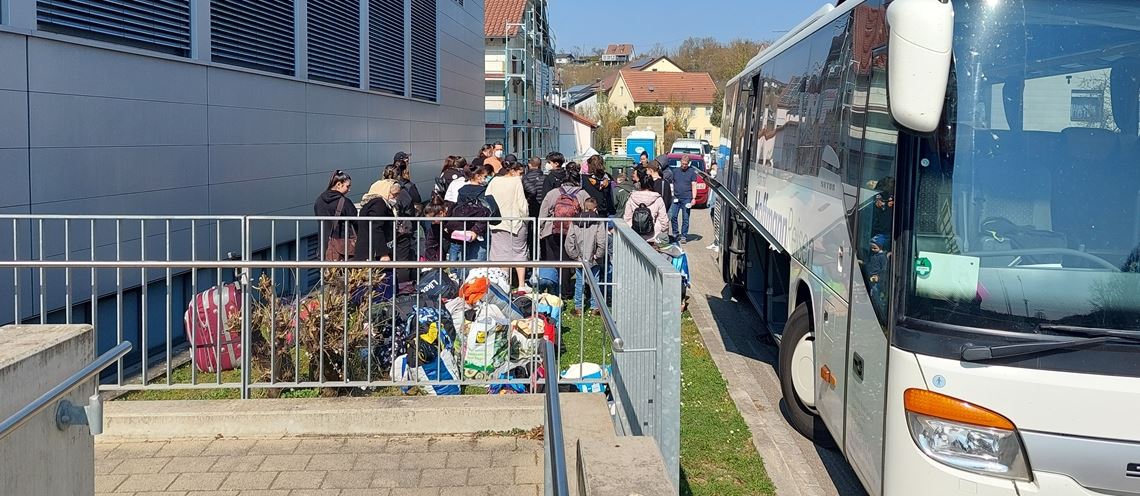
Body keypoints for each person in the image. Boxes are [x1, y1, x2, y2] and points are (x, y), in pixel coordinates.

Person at [538, 168, 589, 297]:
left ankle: (552, 288)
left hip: (552, 230)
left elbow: (543, 212)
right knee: (566, 261)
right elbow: (588, 212)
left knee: (552, 260)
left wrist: (540, 229)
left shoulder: (552, 193)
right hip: (572, 232)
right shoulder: (582, 194)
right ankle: (565, 291)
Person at [486, 159, 532, 292]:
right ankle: (521, 285)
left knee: (500, 254)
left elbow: (487, 197)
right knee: (519, 252)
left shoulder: (494, 181)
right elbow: (522, 203)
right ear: (513, 170)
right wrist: (526, 218)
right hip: (515, 221)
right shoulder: (516, 181)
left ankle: (504, 283)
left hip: (497, 222)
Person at [447, 164, 498, 263]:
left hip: (464, 229)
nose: (486, 179)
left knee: (464, 258)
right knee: (479, 259)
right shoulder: (484, 192)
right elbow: (489, 211)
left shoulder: (462, 191)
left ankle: (462, 276)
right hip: (480, 230)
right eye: (485, 176)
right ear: (478, 176)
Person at [566, 197, 608, 316]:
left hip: (580, 257)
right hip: (593, 258)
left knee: (579, 282)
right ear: (595, 208)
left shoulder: (576, 220)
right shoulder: (598, 221)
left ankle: (578, 307)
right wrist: (598, 255)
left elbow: (569, 240)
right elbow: (602, 241)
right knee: (595, 282)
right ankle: (595, 307)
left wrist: (574, 255)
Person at [314, 170, 357, 260]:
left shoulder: (319, 200)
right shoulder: (345, 202)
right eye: (347, 186)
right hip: (342, 250)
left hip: (324, 248)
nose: (349, 190)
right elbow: (356, 223)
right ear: (338, 184)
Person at [355, 179, 399, 261]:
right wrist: (383, 253)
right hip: (373, 252)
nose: (396, 197)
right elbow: (376, 228)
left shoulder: (372, 203)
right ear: (385, 191)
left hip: (370, 250)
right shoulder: (379, 204)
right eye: (394, 194)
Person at [623, 173, 669, 243]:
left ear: (640, 184)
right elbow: (664, 220)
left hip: (635, 236)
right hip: (653, 236)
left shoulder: (632, 197)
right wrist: (663, 232)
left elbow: (627, 217)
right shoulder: (657, 199)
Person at [668, 155, 699, 243]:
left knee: (685, 218)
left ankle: (684, 235)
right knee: (673, 216)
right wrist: (671, 195)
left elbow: (694, 185)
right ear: (680, 162)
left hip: (687, 198)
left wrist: (693, 198)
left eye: (685, 164)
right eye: (682, 164)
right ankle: (675, 233)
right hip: (676, 197)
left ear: (688, 163)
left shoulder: (692, 172)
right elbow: (671, 184)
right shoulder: (675, 171)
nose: (683, 165)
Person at [421, 196, 448, 262]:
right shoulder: (435, 225)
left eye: (433, 220)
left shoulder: (453, 215)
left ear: (441, 213)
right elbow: (430, 242)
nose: (432, 222)